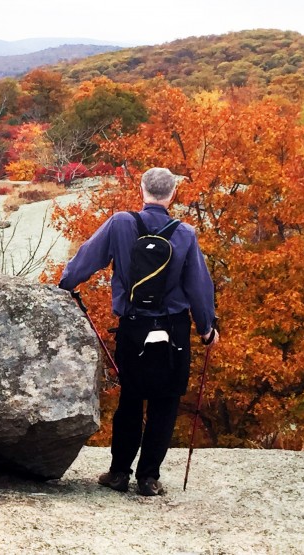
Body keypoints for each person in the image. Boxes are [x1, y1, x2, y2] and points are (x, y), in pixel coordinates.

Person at [58, 167, 219, 496]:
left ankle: (118, 473)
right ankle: (149, 478)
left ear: (142, 190)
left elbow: (87, 258)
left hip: (133, 327)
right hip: (173, 329)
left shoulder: (121, 223)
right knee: (166, 402)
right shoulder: (185, 234)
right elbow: (199, 288)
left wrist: (66, 283)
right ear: (172, 194)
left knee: (131, 400)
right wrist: (207, 328)